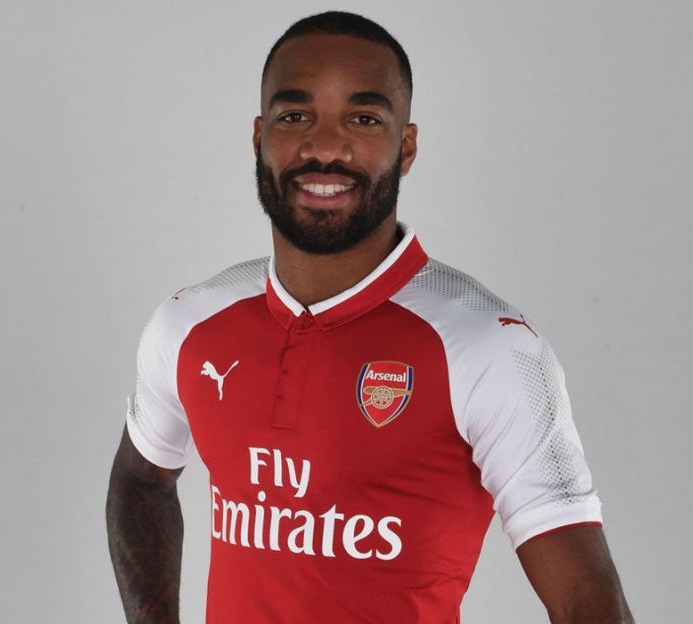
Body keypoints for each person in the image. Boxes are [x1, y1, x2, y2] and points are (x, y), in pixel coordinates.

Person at [106, 11, 633, 623]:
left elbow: (588, 602)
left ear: (406, 147)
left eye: (363, 119)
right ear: (259, 137)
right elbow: (140, 482)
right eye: (294, 116)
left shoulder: (491, 347)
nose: (325, 147)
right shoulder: (189, 325)